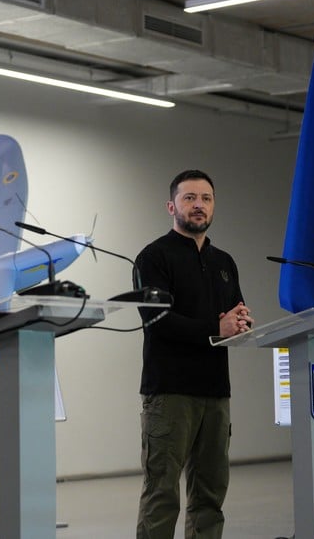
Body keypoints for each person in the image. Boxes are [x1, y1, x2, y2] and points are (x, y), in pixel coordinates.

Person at [134, 169, 253, 539]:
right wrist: (216, 328)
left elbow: (235, 312)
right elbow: (157, 321)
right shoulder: (152, 257)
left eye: (205, 198)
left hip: (216, 392)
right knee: (162, 493)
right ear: (172, 206)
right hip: (170, 392)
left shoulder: (224, 262)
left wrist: (241, 321)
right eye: (189, 198)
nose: (198, 205)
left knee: (210, 495)